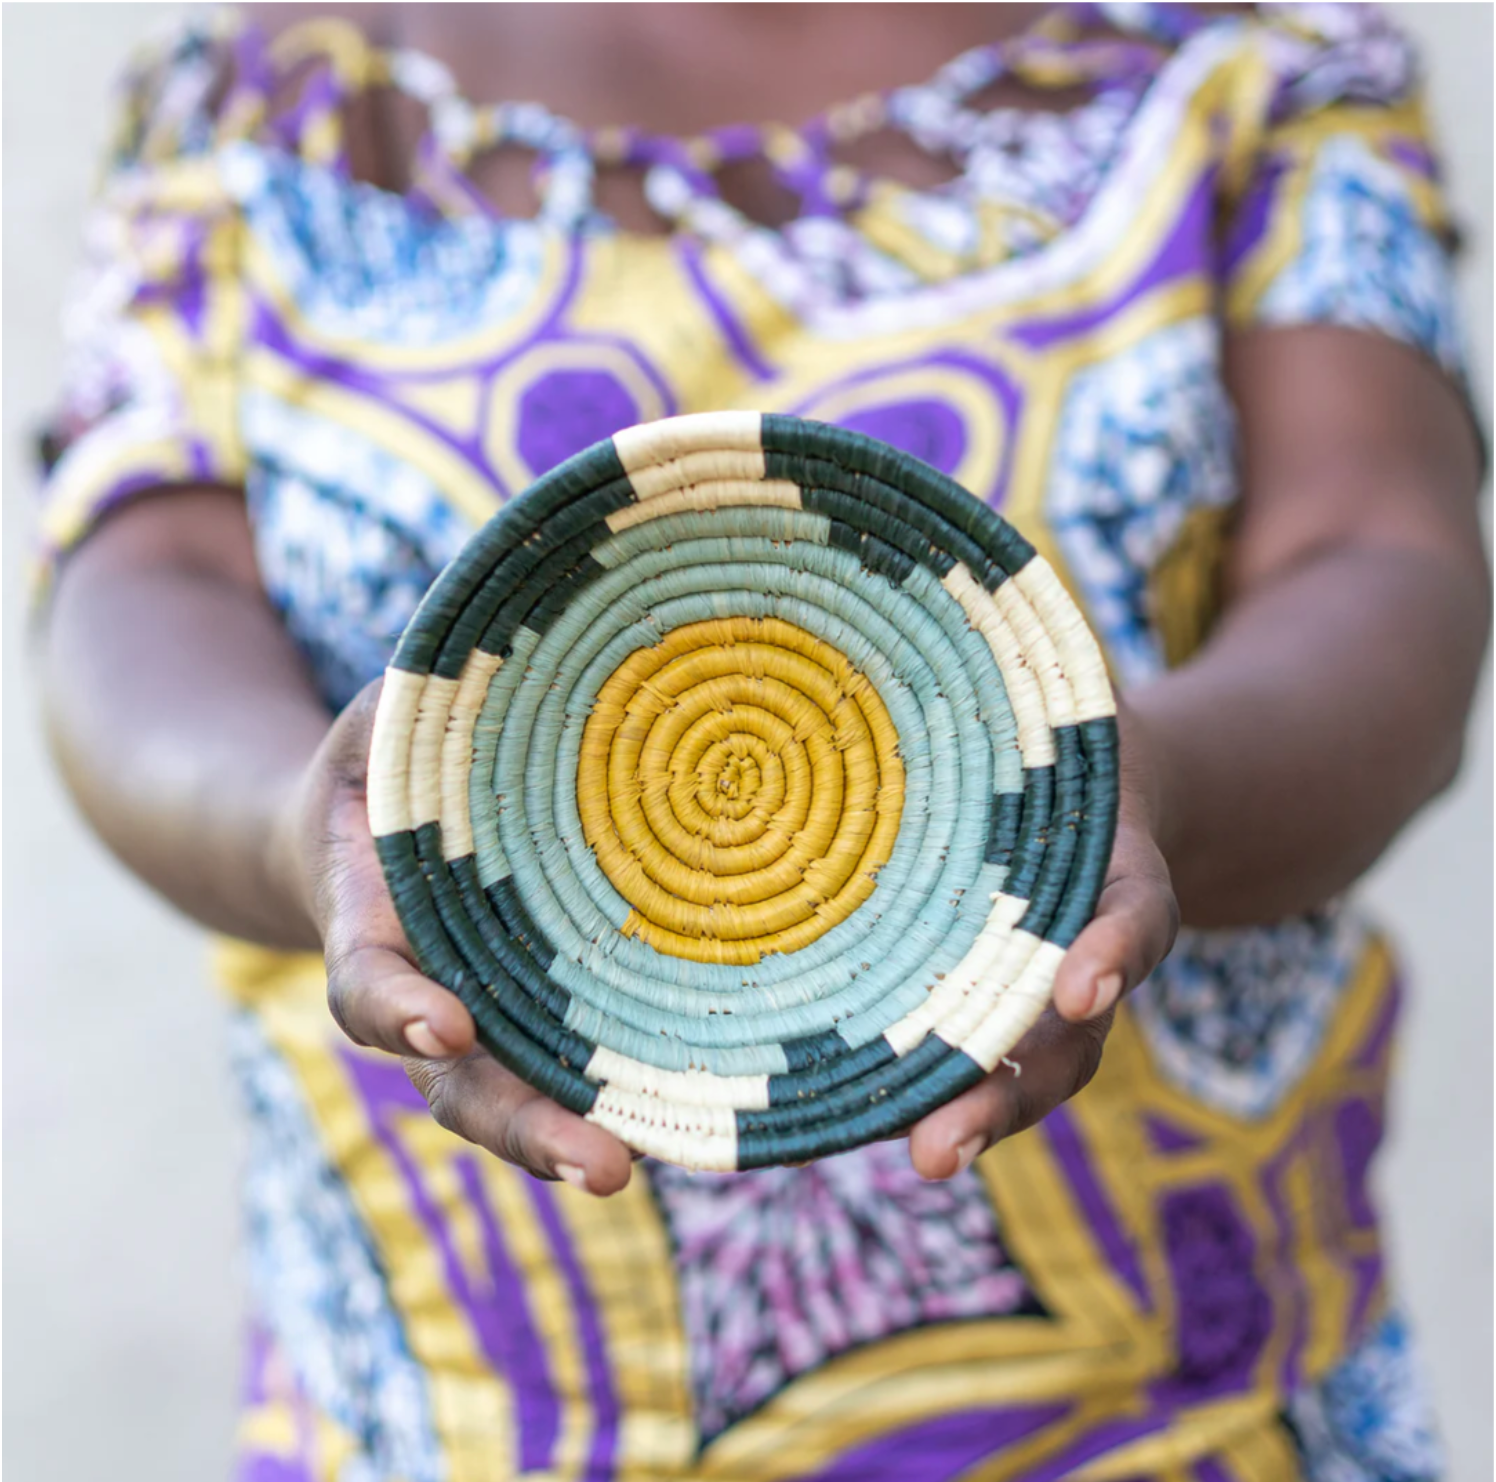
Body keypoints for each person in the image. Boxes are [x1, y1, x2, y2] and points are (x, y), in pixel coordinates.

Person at [33, 3, 1488, 1478]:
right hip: (438, 1413)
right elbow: (144, 589)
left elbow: (1377, 558)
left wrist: (1145, 786)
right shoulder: (268, 107)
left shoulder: (1243, 80)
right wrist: (303, 826)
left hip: (1173, 1408)